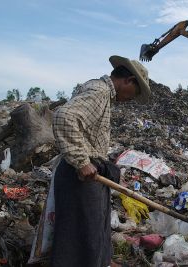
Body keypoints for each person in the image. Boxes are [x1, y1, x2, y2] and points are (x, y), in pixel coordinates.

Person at [50, 55, 151, 267]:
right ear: (129, 80)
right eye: (135, 93)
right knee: (81, 229)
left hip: (90, 172)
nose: (132, 99)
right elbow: (64, 116)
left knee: (94, 224)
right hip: (79, 175)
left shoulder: (101, 91)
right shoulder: (100, 92)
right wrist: (81, 161)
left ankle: (100, 261)